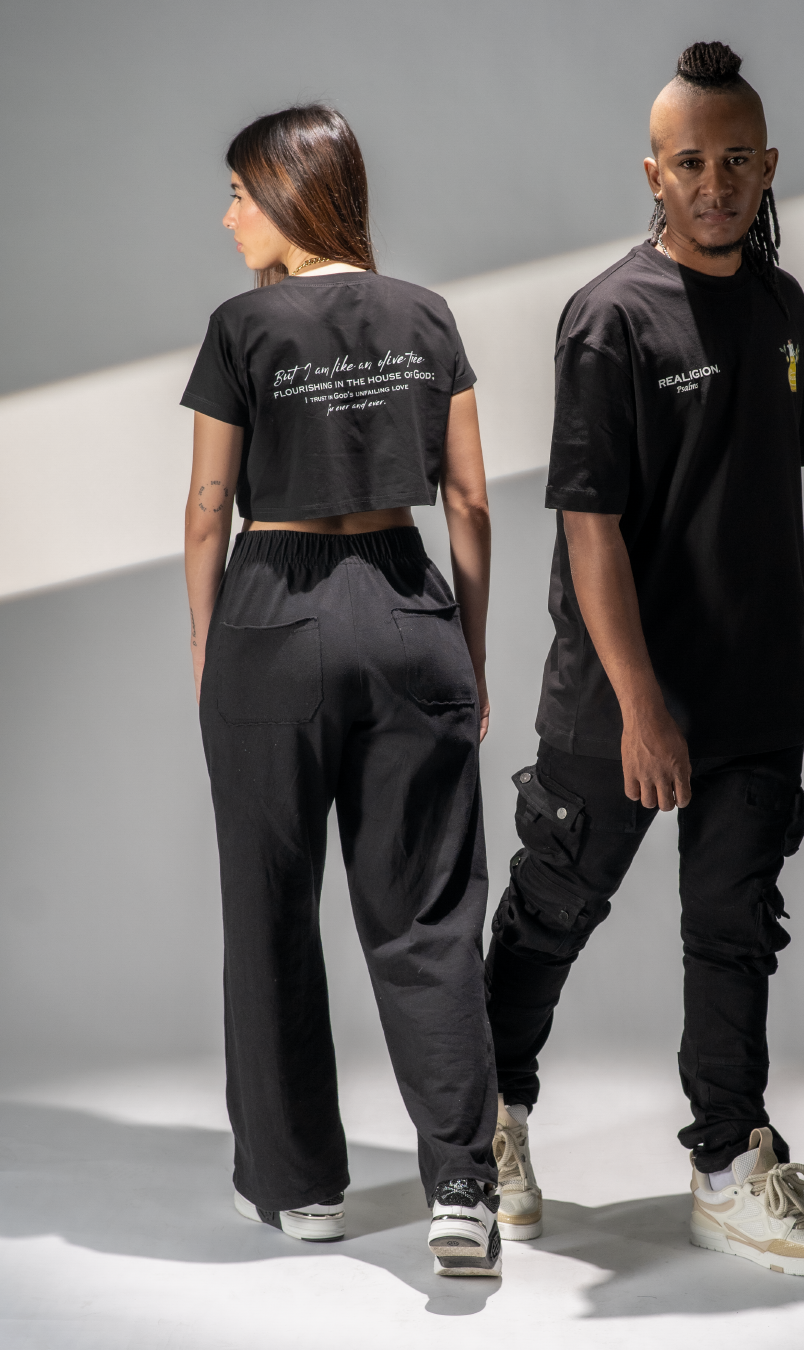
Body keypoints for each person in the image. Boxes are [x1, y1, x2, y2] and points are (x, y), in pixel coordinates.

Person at [485, 43, 804, 1276]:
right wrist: (643, 709)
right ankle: (487, 1117)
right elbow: (589, 529)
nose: (716, 183)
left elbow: (775, 502)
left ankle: (727, 1164)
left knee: (735, 927)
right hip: (621, 692)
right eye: (691, 163)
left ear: (768, 166)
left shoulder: (782, 308)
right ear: (654, 174)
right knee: (553, 910)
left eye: (737, 160)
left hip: (756, 690)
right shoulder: (611, 318)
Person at [182, 105, 502, 1278]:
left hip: (273, 612)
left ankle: (299, 1187)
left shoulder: (240, 327)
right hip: (409, 606)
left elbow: (207, 507)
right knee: (429, 912)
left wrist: (210, 648)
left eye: (238, 193)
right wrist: (469, 650)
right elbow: (469, 501)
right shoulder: (429, 314)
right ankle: (461, 1187)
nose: (227, 216)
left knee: (269, 907)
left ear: (288, 194)